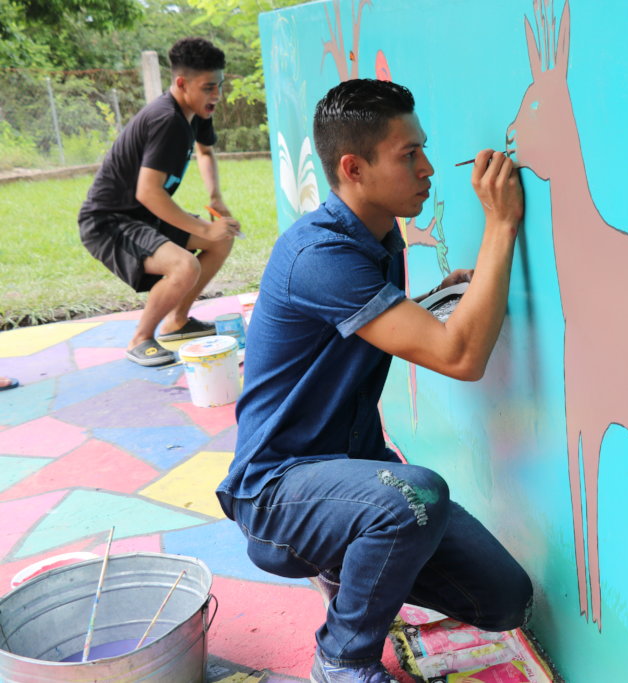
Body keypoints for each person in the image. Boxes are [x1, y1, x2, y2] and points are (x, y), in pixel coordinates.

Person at [216, 79, 532, 683]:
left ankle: (349, 562)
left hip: (352, 472)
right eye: (408, 154)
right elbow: (460, 357)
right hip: (278, 492)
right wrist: (501, 225)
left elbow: (381, 323)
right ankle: (342, 658)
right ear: (354, 168)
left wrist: (442, 297)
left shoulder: (379, 236)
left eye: (424, 149)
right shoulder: (321, 256)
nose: (428, 168)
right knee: (415, 496)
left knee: (504, 600)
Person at [78, 37, 242, 367]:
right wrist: (202, 229)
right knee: (185, 265)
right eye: (209, 88)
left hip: (141, 215)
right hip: (109, 221)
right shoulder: (166, 120)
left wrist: (216, 199)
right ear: (181, 83)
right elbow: (148, 192)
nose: (217, 96)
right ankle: (140, 338)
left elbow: (205, 151)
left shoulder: (196, 111)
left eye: (219, 86)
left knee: (221, 239)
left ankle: (178, 322)